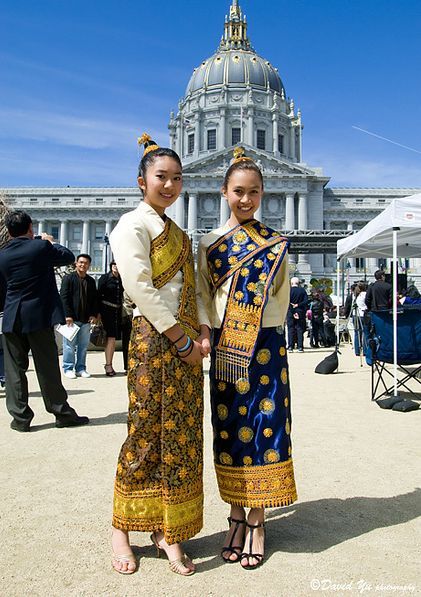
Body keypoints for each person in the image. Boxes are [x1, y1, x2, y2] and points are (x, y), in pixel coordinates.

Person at [109, 134, 210, 576]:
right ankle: (121, 531)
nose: (169, 185)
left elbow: (195, 289)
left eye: (176, 178)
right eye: (161, 177)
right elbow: (139, 288)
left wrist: (203, 331)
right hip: (156, 342)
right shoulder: (132, 225)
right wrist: (183, 340)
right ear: (141, 181)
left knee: (182, 437)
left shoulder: (182, 234)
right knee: (146, 432)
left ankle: (168, 531)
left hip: (187, 345)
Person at [197, 147, 297, 570]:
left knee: (267, 426)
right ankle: (236, 512)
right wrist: (209, 330)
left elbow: (281, 298)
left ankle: (257, 518)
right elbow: (203, 296)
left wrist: (250, 322)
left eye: (254, 191)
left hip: (266, 347)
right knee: (230, 428)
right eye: (238, 191)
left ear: (263, 193)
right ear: (224, 192)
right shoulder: (207, 244)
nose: (246, 199)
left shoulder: (276, 244)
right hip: (224, 346)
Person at [0, 210, 89, 431]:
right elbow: (68, 256)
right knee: (47, 367)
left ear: (9, 232)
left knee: (14, 370)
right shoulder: (39, 247)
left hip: (11, 317)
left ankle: (20, 418)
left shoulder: (2, 255)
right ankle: (61, 412)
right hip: (38, 316)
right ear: (30, 228)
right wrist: (48, 241)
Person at [60, 254, 100, 378]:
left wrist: (93, 314)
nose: (83, 265)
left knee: (83, 347)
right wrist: (68, 315)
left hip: (86, 319)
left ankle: (81, 368)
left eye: (86, 263)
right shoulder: (68, 278)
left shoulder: (91, 281)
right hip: (71, 319)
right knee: (69, 346)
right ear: (76, 263)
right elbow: (64, 298)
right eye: (81, 262)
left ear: (89, 265)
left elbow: (94, 299)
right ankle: (68, 368)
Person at [98, 261, 123, 376]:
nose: (116, 267)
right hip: (106, 311)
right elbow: (98, 296)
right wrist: (98, 313)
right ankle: (108, 365)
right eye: (114, 265)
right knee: (110, 338)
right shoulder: (104, 278)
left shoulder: (123, 279)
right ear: (111, 266)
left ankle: (110, 365)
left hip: (118, 312)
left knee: (114, 338)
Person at [286, 277, 308, 352]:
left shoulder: (288, 291)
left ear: (291, 283)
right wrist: (298, 305)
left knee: (290, 329)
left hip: (290, 311)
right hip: (300, 311)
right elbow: (306, 301)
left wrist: (292, 307)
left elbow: (285, 301)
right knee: (299, 329)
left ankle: (290, 347)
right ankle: (300, 347)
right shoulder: (302, 290)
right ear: (298, 283)